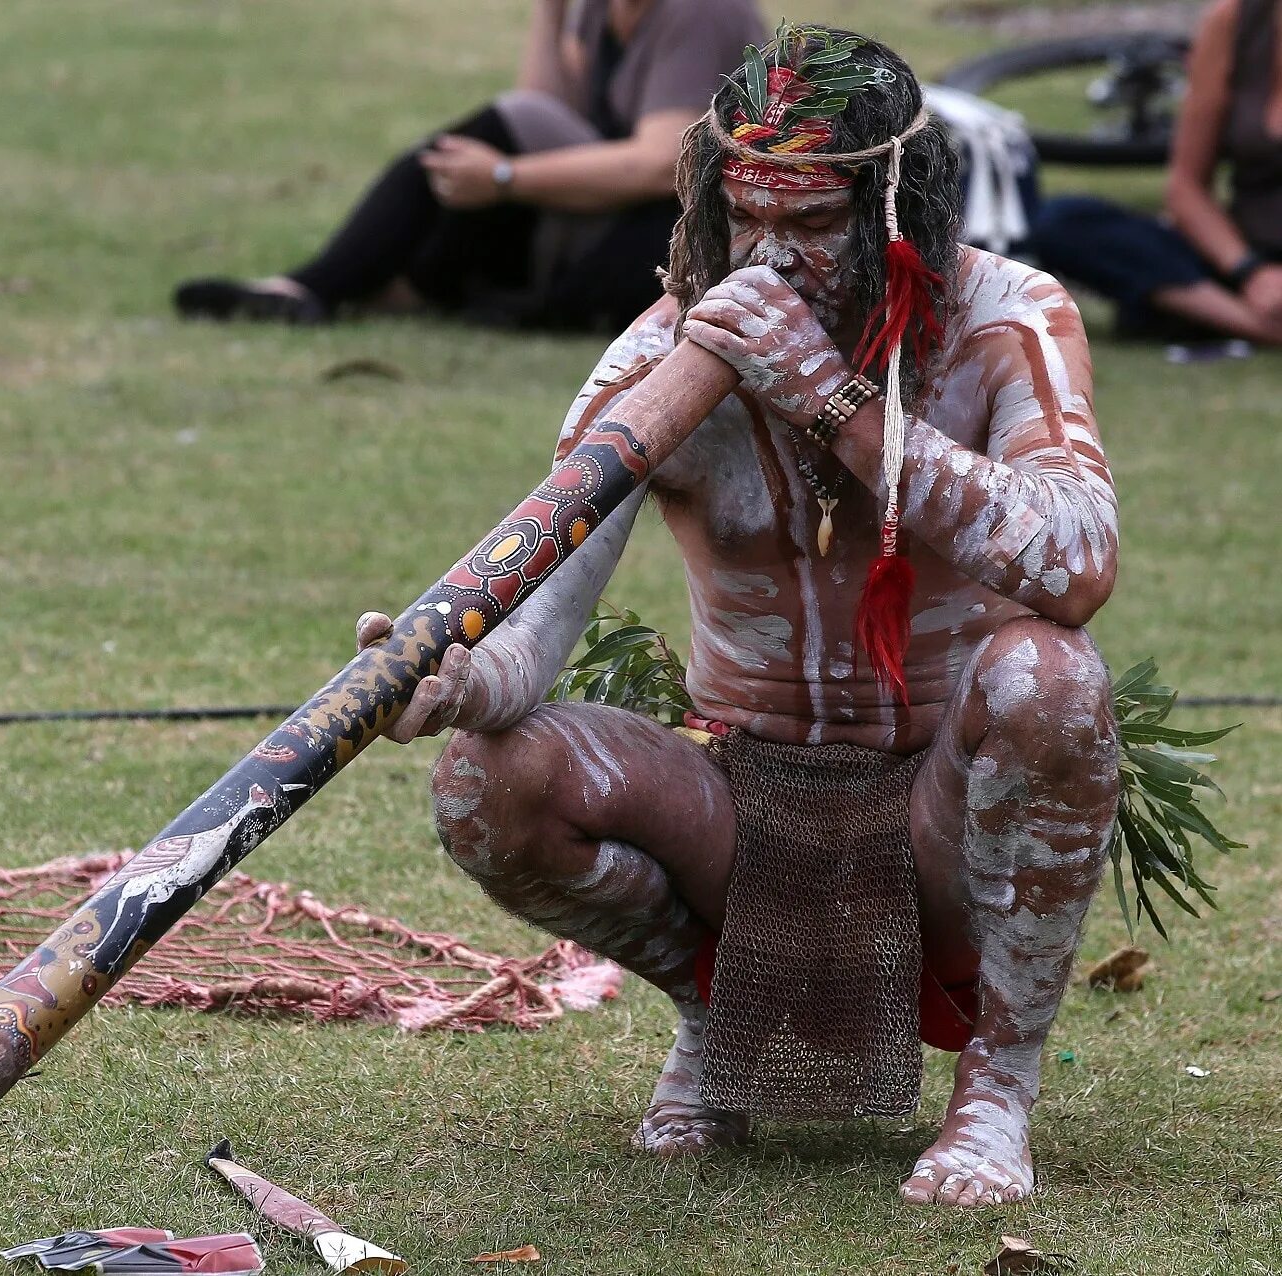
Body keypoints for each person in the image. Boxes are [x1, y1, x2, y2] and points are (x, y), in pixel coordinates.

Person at [358, 24, 1120, 1206]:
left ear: (896, 217)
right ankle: (716, 1016)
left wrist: (834, 403)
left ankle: (998, 1090)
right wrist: (452, 676)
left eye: (811, 226)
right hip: (738, 799)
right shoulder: (665, 349)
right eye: (745, 222)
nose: (770, 262)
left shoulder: (1003, 322)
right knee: (483, 779)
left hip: (942, 809)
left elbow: (1076, 565)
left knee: (1053, 679)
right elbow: (535, 617)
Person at [173, 0, 764, 333]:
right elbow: (552, 111)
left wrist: (505, 177)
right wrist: (550, 13)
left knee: (485, 154)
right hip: (614, 218)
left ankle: (319, 287)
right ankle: (375, 289)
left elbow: (663, 164)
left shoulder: (700, 10)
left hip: (678, 234)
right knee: (481, 157)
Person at [1029, 0, 1282, 343]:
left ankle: (1188, 311)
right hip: (1244, 259)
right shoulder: (1236, 19)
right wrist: (1250, 271)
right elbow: (1185, 187)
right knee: (1064, 220)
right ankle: (1254, 324)